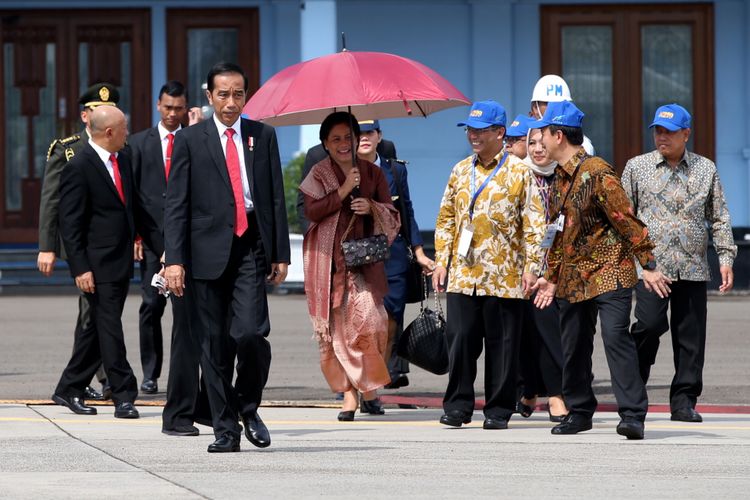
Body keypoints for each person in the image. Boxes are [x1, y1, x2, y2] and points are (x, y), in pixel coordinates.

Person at [164, 62, 290, 453]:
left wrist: (280, 252)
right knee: (214, 345)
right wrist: (175, 260)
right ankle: (225, 430)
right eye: (223, 94)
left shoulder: (262, 136)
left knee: (251, 334)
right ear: (209, 97)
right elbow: (177, 205)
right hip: (204, 253)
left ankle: (247, 405)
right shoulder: (190, 140)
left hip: (250, 245)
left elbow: (273, 197)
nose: (231, 102)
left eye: (238, 94)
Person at [531, 101, 672, 440]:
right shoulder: (560, 179)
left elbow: (626, 219)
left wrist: (648, 265)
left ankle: (633, 414)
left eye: (542, 136)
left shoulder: (597, 172)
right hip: (574, 278)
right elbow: (559, 234)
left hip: (610, 271)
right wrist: (549, 278)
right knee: (574, 344)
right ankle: (579, 412)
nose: (539, 145)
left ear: (558, 135)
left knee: (615, 338)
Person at [433, 101, 545, 430]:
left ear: (500, 133)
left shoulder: (520, 172)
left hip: (505, 276)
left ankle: (498, 409)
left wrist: (532, 267)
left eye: (481, 130)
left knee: (503, 346)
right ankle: (457, 406)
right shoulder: (459, 170)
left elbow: (535, 224)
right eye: (470, 130)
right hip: (464, 274)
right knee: (462, 340)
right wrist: (442, 261)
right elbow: (446, 220)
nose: (473, 136)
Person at [622, 103, 737, 423]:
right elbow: (623, 218)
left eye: (669, 132)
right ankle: (634, 391)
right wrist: (638, 263)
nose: (662, 137)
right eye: (658, 130)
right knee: (647, 325)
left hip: (692, 265)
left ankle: (684, 400)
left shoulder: (705, 169)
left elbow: (719, 217)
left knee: (690, 335)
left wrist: (726, 257)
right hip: (652, 269)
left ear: (686, 134)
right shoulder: (637, 167)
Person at [54, 105, 161, 420]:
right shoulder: (79, 166)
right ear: (109, 132)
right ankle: (124, 394)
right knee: (110, 328)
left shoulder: (124, 160)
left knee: (97, 329)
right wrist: (80, 268)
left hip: (119, 261)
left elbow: (137, 211)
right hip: (95, 265)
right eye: (124, 128)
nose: (129, 133)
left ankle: (68, 387)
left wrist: (162, 248)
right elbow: (70, 224)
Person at [300, 112, 400, 421]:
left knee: (373, 322)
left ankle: (367, 386)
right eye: (336, 139)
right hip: (329, 264)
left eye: (348, 137)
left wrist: (369, 206)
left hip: (364, 262)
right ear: (325, 144)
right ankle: (349, 394)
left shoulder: (372, 173)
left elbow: (392, 214)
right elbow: (312, 211)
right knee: (338, 331)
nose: (344, 144)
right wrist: (342, 192)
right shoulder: (317, 174)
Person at [129, 80, 204, 436]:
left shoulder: (194, 139)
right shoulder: (140, 143)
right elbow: (132, 196)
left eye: (179, 108)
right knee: (151, 307)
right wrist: (138, 236)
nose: (173, 114)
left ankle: (189, 381)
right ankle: (149, 372)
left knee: (186, 314)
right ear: (158, 106)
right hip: (153, 241)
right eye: (167, 108)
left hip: (188, 245)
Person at [39, 83, 119, 403]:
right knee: (93, 311)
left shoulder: (119, 147)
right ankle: (98, 377)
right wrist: (46, 246)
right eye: (98, 110)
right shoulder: (68, 149)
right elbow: (51, 201)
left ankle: (86, 378)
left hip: (109, 244)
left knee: (93, 311)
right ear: (85, 115)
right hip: (81, 246)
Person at [356, 119, 435, 395]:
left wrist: (420, 252)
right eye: (359, 133)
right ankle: (361, 385)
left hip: (393, 256)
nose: (364, 137)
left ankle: (376, 378)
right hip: (359, 256)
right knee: (363, 320)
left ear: (379, 136)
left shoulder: (395, 169)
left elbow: (407, 212)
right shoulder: (343, 170)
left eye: (369, 132)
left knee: (390, 320)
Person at [516, 127, 567, 422]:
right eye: (531, 142)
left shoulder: (564, 175)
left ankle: (557, 395)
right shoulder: (519, 175)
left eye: (541, 142)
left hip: (557, 266)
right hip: (523, 267)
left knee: (551, 333)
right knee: (526, 334)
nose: (537, 148)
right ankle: (529, 389)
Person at [297, 133, 396, 234]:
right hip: (332, 236)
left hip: (375, 238)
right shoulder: (318, 154)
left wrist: (372, 208)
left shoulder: (383, 147)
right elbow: (304, 205)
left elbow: (395, 201)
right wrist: (313, 237)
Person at [530, 74, 595, 155]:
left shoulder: (584, 146)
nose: (553, 107)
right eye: (547, 103)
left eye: (558, 103)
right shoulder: (527, 138)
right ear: (535, 107)